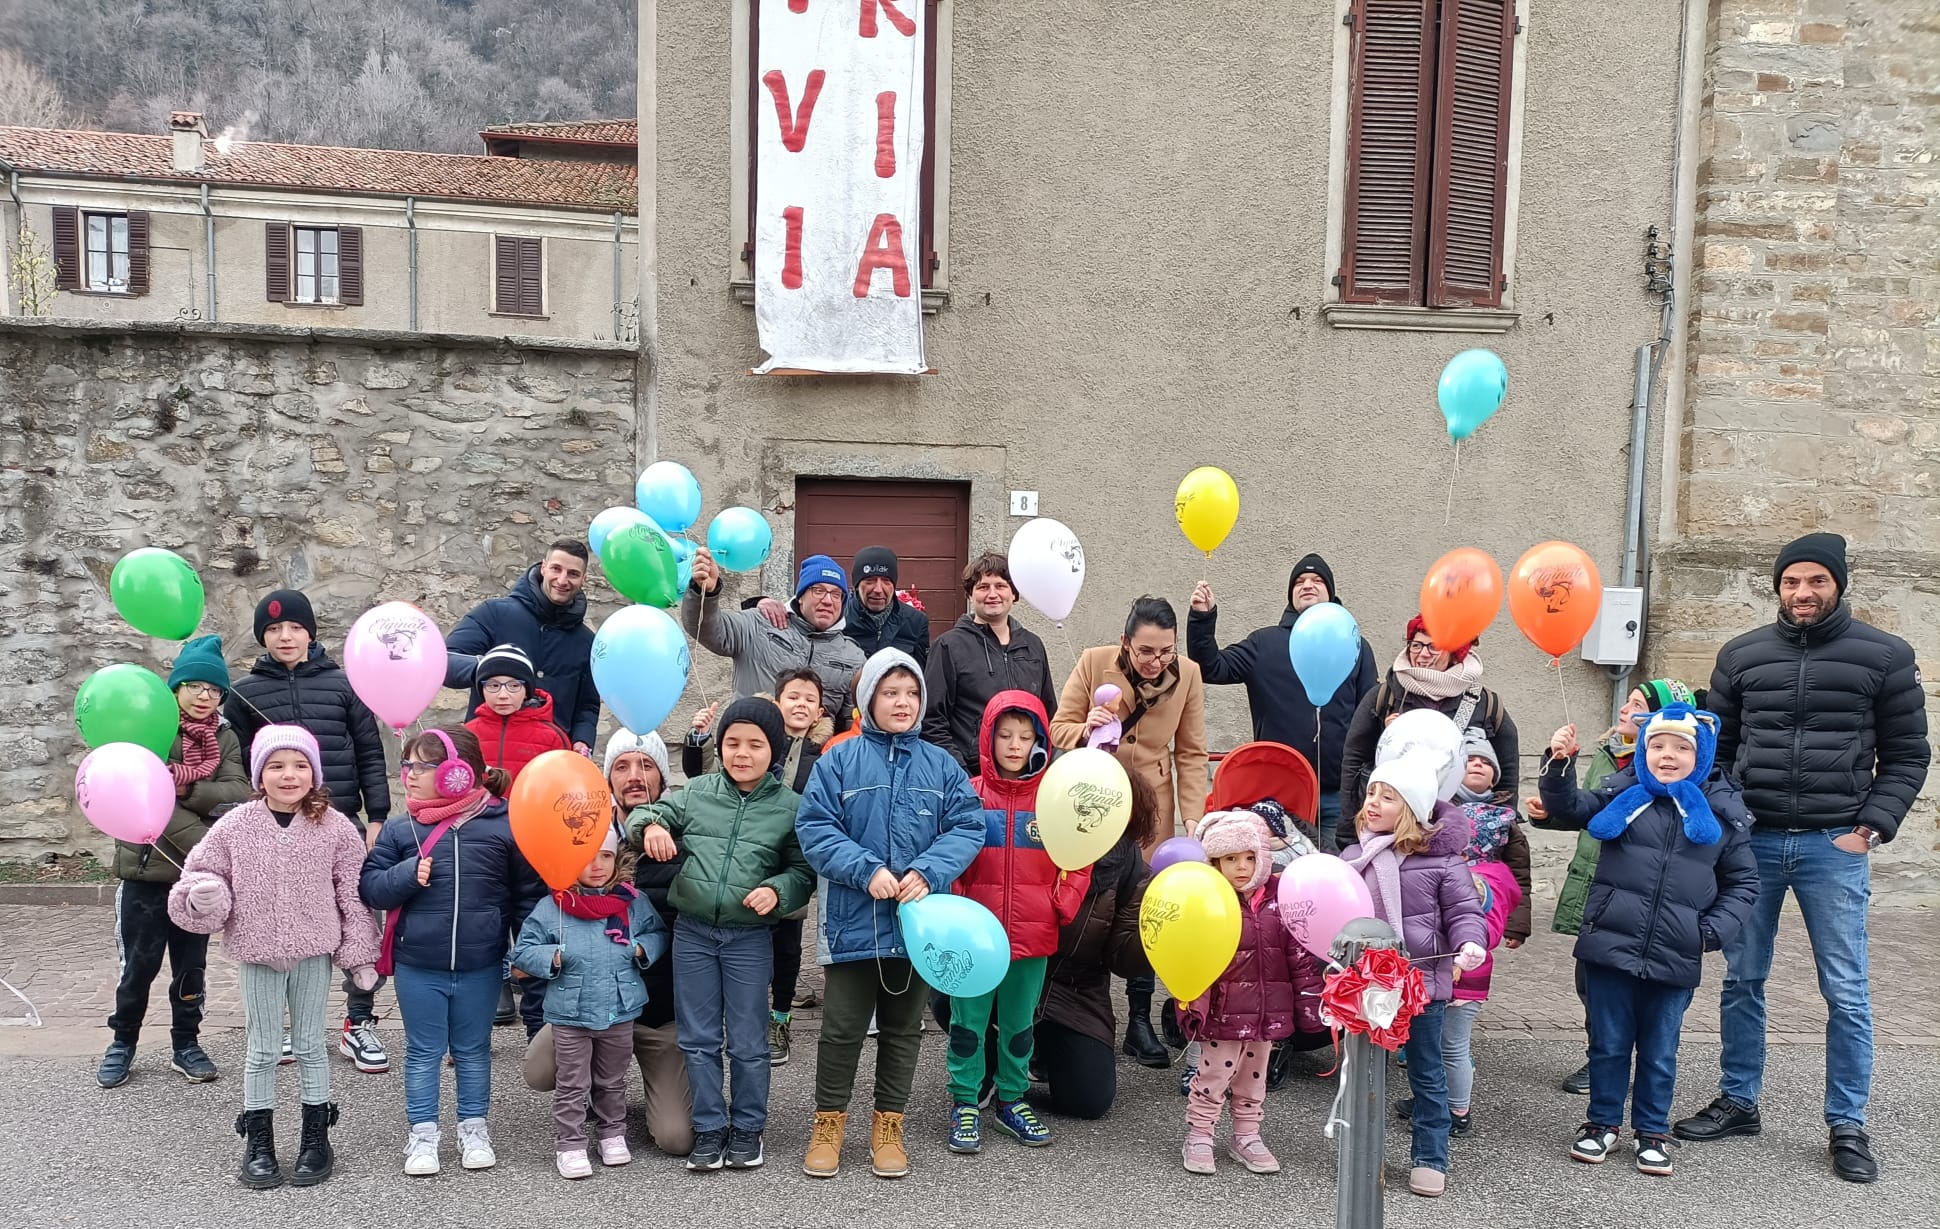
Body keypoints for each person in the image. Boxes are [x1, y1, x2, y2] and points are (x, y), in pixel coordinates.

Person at [1671, 533, 1929, 1184]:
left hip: (1832, 844)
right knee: (1742, 977)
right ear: (1778, 586)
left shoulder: (1886, 656)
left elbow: (1909, 754)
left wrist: (1871, 827)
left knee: (1845, 989)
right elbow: (1717, 752)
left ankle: (1847, 1121)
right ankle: (1739, 1099)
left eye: (1816, 580)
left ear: (1838, 583)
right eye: (1792, 581)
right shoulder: (1742, 655)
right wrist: (1728, 820)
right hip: (1753, 842)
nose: (1803, 592)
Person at [1537, 706, 1758, 1178]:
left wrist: (1710, 931)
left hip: (1677, 951)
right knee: (1609, 1043)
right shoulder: (1622, 793)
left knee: (1660, 1050)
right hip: (1610, 944)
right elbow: (1569, 806)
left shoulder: (1721, 813)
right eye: (1657, 745)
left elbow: (1744, 884)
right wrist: (1559, 765)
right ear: (1642, 751)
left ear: (1701, 756)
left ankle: (1652, 1131)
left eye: (1681, 747)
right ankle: (1600, 1124)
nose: (1668, 755)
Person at [794, 648, 985, 1180]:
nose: (902, 703)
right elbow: (814, 827)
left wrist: (928, 871)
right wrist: (864, 870)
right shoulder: (838, 759)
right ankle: (828, 1123)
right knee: (841, 1029)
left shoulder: (941, 765)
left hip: (917, 925)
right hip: (851, 922)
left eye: (911, 693)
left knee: (904, 1030)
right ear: (867, 698)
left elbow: (967, 827)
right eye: (890, 692)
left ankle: (888, 1125)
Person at [167, 725, 381, 1188]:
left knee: (309, 1045)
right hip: (258, 952)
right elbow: (202, 873)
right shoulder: (235, 826)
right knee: (263, 1047)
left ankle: (315, 1136)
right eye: (277, 767)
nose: (289, 776)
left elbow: (352, 892)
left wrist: (360, 953)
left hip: (312, 953)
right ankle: (258, 1138)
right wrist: (204, 896)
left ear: (314, 774)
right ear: (259, 776)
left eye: (300, 766)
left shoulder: (335, 827)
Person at [631, 698, 815, 1173]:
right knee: (697, 1037)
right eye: (732, 742)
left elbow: (803, 870)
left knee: (749, 1041)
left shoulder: (790, 807)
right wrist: (650, 825)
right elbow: (642, 816)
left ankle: (749, 1128)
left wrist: (777, 890)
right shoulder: (696, 793)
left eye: (755, 744)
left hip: (750, 938)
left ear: (772, 751)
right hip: (692, 933)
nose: (741, 753)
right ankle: (710, 1128)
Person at [359, 726, 542, 1177]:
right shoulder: (402, 830)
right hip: (418, 965)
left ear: (459, 772)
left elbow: (525, 896)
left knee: (474, 1049)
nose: (410, 775)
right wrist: (405, 875)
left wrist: (527, 952)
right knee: (422, 1051)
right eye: (407, 766)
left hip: (482, 964)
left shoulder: (505, 824)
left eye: (423, 766)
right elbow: (371, 887)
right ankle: (423, 1135)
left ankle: (473, 1128)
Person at [226, 589, 393, 1073]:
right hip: (272, 831)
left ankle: (358, 1022)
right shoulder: (243, 693)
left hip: (339, 826)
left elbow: (368, 751)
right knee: (273, 920)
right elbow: (237, 764)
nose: (285, 637)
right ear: (263, 637)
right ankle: (277, 1027)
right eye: (274, 629)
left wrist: (377, 817)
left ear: (311, 633)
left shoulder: (345, 685)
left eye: (295, 628)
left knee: (358, 920)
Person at [1050, 596, 1207, 1068]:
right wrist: (1084, 728)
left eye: (1166, 651)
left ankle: (1139, 1021)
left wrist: (1193, 818)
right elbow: (1056, 728)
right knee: (1095, 902)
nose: (1157, 661)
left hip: (1149, 809)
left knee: (1146, 906)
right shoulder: (1093, 662)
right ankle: (1075, 1002)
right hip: (1094, 802)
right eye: (1146, 652)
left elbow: (1192, 753)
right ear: (1125, 643)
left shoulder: (1190, 676)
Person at [522, 730, 694, 1157]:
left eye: (646, 765)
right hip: (584, 1008)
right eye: (621, 766)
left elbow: (667, 933)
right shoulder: (578, 837)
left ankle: (624, 1097)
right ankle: (586, 1103)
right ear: (607, 779)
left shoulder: (685, 837)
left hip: (658, 1013)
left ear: (662, 776)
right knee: (541, 1070)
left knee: (676, 1138)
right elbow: (539, 928)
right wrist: (553, 961)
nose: (634, 776)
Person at [98, 633, 250, 1091]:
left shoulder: (224, 737)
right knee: (138, 968)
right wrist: (207, 835)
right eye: (196, 686)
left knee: (191, 968)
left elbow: (239, 791)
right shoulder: (151, 729)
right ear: (176, 688)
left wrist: (186, 789)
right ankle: (122, 1042)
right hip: (146, 873)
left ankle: (186, 1042)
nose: (206, 696)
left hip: (195, 880)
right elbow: (146, 803)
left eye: (215, 689)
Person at [945, 692, 1089, 1154]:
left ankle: (1012, 1097)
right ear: (988, 738)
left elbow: (1081, 857)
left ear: (1040, 740)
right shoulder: (967, 793)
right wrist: (959, 908)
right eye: (1004, 735)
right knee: (967, 1023)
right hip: (974, 938)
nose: (1014, 744)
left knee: (1019, 1024)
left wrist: (1060, 902)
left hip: (1033, 934)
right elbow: (947, 858)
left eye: (1025, 736)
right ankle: (965, 1101)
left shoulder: (1055, 799)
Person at [1339, 756, 1489, 1198]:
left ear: (1412, 809)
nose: (1373, 803)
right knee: (1362, 1070)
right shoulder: (1354, 857)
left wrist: (1470, 942)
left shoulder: (1442, 862)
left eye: (1388, 797)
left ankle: (1430, 1155)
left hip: (1422, 983)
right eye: (1371, 793)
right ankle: (1359, 1150)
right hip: (1366, 984)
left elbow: (1464, 911)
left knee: (1426, 1072)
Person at [1537, 678, 1694, 1095]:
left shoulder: (1674, 774)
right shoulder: (1609, 754)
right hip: (1595, 881)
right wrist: (1550, 804)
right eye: (1627, 701)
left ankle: (1634, 1066)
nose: (1624, 710)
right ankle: (1602, 1057)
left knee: (1638, 991)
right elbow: (1586, 808)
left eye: (1637, 705)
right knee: (1590, 982)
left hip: (1640, 897)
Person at [512, 824, 669, 1179]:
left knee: (612, 1078)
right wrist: (550, 956)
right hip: (571, 1012)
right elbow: (522, 951)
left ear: (617, 859)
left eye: (606, 856)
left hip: (619, 1007)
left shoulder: (632, 901)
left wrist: (641, 948)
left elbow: (657, 932)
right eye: (585, 857)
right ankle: (570, 1142)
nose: (596, 865)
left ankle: (612, 1132)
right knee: (572, 1082)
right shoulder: (553, 905)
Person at [1187, 554, 1377, 846]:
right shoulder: (1264, 644)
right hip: (1278, 792)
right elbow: (1210, 667)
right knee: (1280, 877)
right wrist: (1202, 618)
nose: (1307, 585)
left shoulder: (1354, 645)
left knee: (1330, 875)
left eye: (1317, 581)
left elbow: (1369, 713)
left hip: (1337, 796)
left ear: (1331, 592)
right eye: (1299, 581)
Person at [1176, 810, 1324, 1177]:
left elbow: (1300, 957)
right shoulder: (1208, 900)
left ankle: (1247, 1135)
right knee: (1212, 1078)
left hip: (1267, 1012)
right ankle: (1199, 1133)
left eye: (1249, 857)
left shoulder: (1279, 899)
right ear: (1214, 861)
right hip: (1224, 1013)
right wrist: (1192, 1006)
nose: (1241, 867)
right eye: (1230, 859)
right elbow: (1192, 958)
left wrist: (1310, 1006)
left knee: (1253, 1081)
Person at [1033, 771, 1160, 1119]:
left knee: (1088, 1102)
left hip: (1078, 989)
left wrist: (1156, 939)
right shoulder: (1036, 837)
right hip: (1018, 974)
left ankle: (1044, 1049)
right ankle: (1000, 1058)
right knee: (949, 1000)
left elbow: (1121, 960)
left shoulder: (1132, 870)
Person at [1336, 614, 1518, 850]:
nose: (1422, 655)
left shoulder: (1486, 703)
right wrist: (1350, 833)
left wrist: (1503, 831)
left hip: (1460, 838)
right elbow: (1354, 761)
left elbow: (1508, 777)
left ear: (1454, 652)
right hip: (1390, 834)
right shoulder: (1385, 697)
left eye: (1434, 647)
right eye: (1416, 645)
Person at [1393, 859, 1521, 1138]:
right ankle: (1435, 1101)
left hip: (1460, 979)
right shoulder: (1492, 876)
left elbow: (1481, 933)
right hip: (1451, 976)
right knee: (1435, 1047)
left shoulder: (1470, 892)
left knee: (1452, 1047)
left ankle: (1458, 1111)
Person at [446, 541, 601, 754]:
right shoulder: (494, 614)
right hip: (488, 754)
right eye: (556, 569)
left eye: (573, 574)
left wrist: (583, 740)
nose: (562, 580)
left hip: (551, 760)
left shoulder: (587, 641)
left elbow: (587, 706)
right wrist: (492, 668)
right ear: (543, 567)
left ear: (584, 580)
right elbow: (445, 662)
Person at [684, 549, 866, 726]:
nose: (828, 600)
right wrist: (706, 593)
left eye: (836, 594)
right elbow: (705, 628)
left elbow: (852, 725)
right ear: (801, 596)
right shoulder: (759, 623)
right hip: (751, 748)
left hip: (810, 756)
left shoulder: (853, 657)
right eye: (818, 590)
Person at [924, 553, 1057, 770]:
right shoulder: (949, 646)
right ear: (970, 594)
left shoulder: (1033, 646)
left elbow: (1048, 713)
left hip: (1027, 777)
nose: (992, 594)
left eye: (1000, 586)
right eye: (983, 587)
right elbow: (932, 721)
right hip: (971, 776)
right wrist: (961, 775)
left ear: (1014, 594)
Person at [1450, 731, 1533, 946]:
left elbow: (1519, 873)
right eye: (1471, 760)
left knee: (1477, 954)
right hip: (1445, 893)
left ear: (1493, 780)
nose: (1478, 764)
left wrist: (1517, 925)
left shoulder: (1504, 818)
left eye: (1486, 762)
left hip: (1488, 899)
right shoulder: (1439, 809)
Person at [464, 643, 571, 782]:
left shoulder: (553, 737)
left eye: (514, 686)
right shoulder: (468, 734)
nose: (503, 694)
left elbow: (563, 785)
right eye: (493, 685)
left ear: (527, 690)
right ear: (482, 689)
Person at [842, 546, 931, 663]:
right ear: (857, 586)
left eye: (886, 581)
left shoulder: (916, 622)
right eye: (870, 580)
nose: (878, 589)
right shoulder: (839, 618)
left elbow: (921, 674)